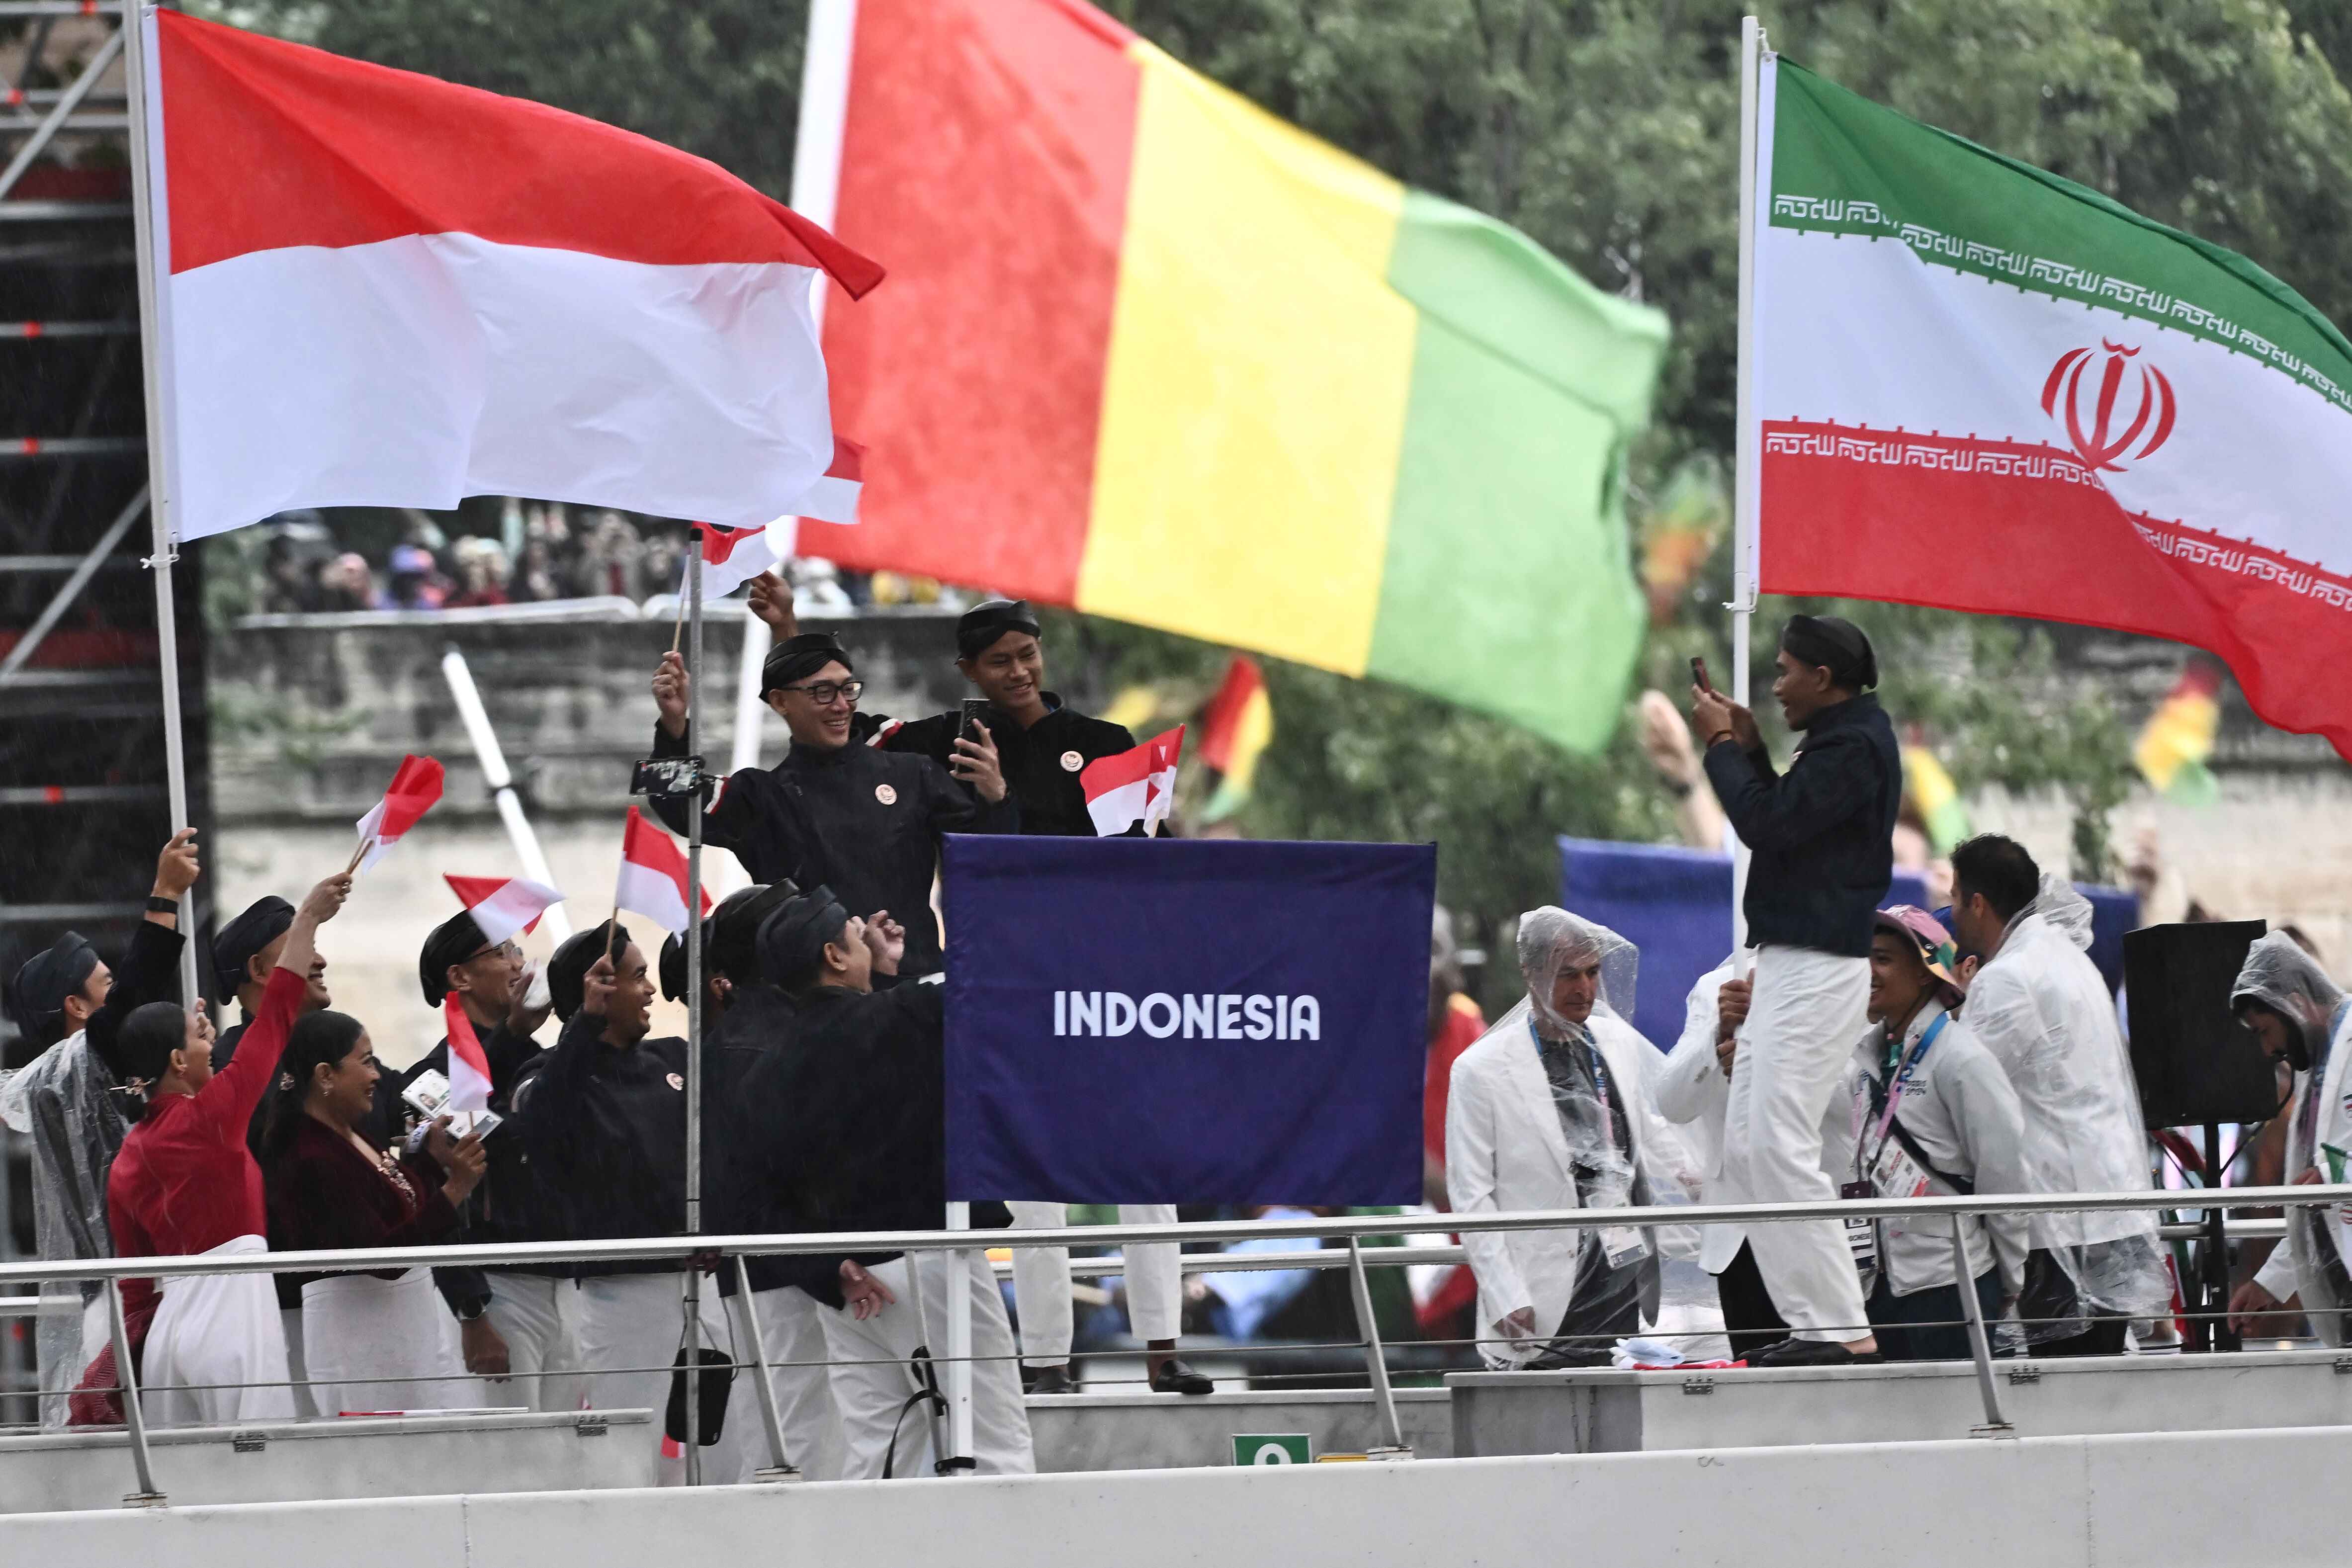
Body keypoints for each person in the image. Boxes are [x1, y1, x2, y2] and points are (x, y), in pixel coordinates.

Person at [742, 887, 1035, 1477]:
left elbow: (758, 1193)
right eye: (854, 932)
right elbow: (971, 996)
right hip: (931, 1263)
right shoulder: (899, 1017)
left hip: (847, 1281)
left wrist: (828, 1272)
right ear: (833, 955)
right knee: (992, 1440)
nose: (867, 933)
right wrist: (896, 976)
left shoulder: (766, 1065)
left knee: (880, 1454)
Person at [1690, 613, 1900, 1366]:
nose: (1775, 685)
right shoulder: (1842, 744)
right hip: (1791, 959)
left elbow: (1766, 822)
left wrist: (1720, 748)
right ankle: (1813, 1321)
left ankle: (1839, 1324)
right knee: (1749, 1148)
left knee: (1777, 1141)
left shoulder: (1854, 746)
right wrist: (1748, 747)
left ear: (1822, 675)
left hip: (1817, 965)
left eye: (1783, 671)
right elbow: (1794, 819)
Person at [103, 870, 350, 1426]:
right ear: (174, 1061)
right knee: (258, 1475)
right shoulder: (212, 1119)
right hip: (234, 1319)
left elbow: (136, 1287)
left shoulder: (126, 1157)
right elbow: (278, 1014)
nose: (210, 1042)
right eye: (198, 1037)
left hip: (166, 1336)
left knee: (185, 1487)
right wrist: (307, 918)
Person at [647, 621, 1017, 976]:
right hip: (816, 1007)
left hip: (916, 988)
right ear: (780, 702)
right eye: (822, 692)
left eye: (847, 689)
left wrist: (996, 798)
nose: (841, 705)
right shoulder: (763, 796)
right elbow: (676, 800)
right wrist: (674, 728)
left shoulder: (912, 774)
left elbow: (987, 865)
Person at [0, 829, 199, 1424]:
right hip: (132, 1303)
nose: (121, 1000)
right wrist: (164, 893)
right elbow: (140, 986)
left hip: (116, 1302)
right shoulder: (78, 1062)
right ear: (78, 1008)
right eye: (105, 989)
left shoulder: (60, 1079)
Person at [1446, 908, 1701, 1369]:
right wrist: (1505, 1296)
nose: (1584, 989)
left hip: (1621, 1271)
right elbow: (1470, 1194)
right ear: (1531, 975)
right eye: (1568, 975)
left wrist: (1697, 1178)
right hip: (1539, 1295)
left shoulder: (1614, 1040)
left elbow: (1643, 1123)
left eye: (1592, 972)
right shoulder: (1478, 1070)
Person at [519, 924, 731, 1473]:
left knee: (725, 1433)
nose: (651, 990)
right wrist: (584, 1026)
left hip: (708, 1283)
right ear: (601, 991)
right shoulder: (551, 1078)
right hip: (624, 1293)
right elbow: (541, 1125)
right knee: (626, 1447)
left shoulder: (675, 1058)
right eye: (638, 977)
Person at [1948, 835, 2170, 1354]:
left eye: (1956, 897)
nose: (1953, 912)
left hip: (2061, 1224)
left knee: (2065, 1386)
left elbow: (1965, 1097)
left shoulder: (2005, 979)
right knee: (2098, 1382)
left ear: (1978, 903)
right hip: (2110, 1206)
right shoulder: (2069, 959)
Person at [692, 882, 854, 1482]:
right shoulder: (756, 1040)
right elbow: (764, 1167)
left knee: (806, 1423)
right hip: (783, 1269)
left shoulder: (757, 1029)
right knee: (795, 1429)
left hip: (789, 1261)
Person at [261, 1011, 488, 1415]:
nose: (377, 1076)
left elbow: (400, 1205)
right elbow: (379, 1255)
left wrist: (434, 1163)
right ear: (326, 1075)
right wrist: (454, 1191)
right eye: (365, 1062)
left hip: (402, 1330)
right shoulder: (308, 1153)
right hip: (360, 1341)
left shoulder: (347, 1134)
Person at [1842, 908, 2029, 1361]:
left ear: (1926, 974)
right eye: (1863, 957)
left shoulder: (1962, 1059)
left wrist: (2008, 1281)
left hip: (1952, 1284)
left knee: (1954, 1421)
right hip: (1880, 1283)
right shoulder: (1865, 1061)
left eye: (1883, 959)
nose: (1867, 971)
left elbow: (2003, 1179)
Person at [399, 910, 562, 1400]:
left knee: (582, 1446)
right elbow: (443, 1187)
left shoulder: (546, 1063)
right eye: (502, 952)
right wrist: (470, 1307)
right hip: (497, 1285)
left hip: (566, 1274)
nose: (519, 964)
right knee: (509, 1453)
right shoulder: (430, 1079)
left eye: (518, 951)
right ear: (460, 976)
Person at [1654, 959, 1789, 1360]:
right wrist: (1716, 1035)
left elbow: (1853, 1092)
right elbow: (1671, 1101)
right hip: (1740, 1234)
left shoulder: (1840, 969)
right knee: (1756, 1397)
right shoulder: (1716, 985)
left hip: (1820, 1218)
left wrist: (1764, 1056)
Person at [2226, 933, 2350, 1344]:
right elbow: (2315, 1206)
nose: (2266, 1050)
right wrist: (2268, 1285)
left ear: (2292, 1004)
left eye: (2264, 1031)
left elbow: (2335, 1171)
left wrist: (2337, 1177)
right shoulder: (2312, 1072)